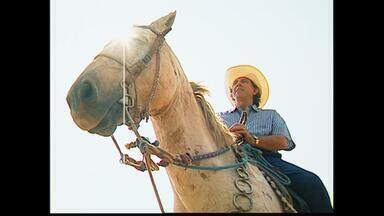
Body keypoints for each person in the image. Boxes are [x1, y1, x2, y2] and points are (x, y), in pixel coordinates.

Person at [218, 64, 333, 213]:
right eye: (235, 83)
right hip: (229, 159)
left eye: (244, 81)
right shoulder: (219, 118)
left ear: (254, 90)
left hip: (268, 160)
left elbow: (284, 142)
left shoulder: (271, 115)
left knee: (312, 182)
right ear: (232, 94)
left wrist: (253, 140)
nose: (238, 84)